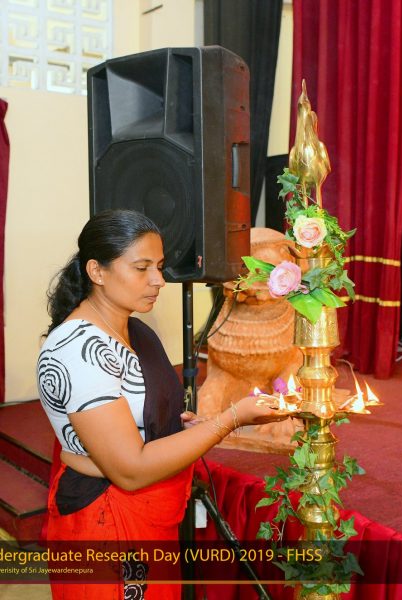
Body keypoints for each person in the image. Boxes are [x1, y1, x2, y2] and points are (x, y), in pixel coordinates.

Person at [37, 209, 288, 600]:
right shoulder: (80, 350)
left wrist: (172, 427)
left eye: (159, 266)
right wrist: (231, 419)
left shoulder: (131, 327)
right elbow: (130, 471)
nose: (158, 280)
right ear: (97, 271)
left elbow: (138, 417)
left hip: (148, 519)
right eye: (141, 268)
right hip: (108, 522)